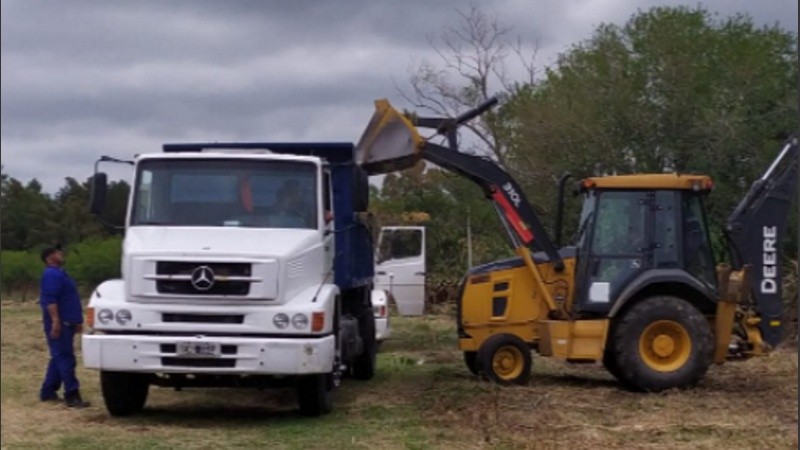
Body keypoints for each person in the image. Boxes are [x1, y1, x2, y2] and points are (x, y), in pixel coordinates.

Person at [39, 244, 90, 408]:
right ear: (49, 258)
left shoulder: (61, 274)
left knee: (59, 356)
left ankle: (47, 391)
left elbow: (69, 298)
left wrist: (77, 321)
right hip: (60, 323)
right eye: (56, 252)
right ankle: (72, 395)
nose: (60, 253)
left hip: (68, 322)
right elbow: (50, 300)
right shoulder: (51, 275)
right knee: (66, 358)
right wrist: (55, 321)